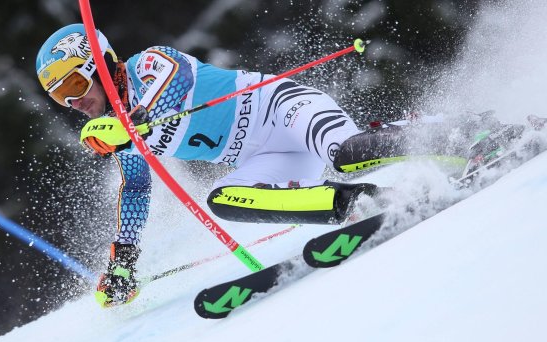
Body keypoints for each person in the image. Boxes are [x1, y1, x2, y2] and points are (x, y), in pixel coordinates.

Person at [36, 24, 516, 307]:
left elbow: (174, 90)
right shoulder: (124, 141)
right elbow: (137, 193)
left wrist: (130, 125)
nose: (72, 104)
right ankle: (358, 206)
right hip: (265, 156)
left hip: (283, 109)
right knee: (224, 198)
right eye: (60, 98)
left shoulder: (151, 65)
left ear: (100, 65)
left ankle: (462, 135)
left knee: (347, 154)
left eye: (74, 88)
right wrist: (123, 264)